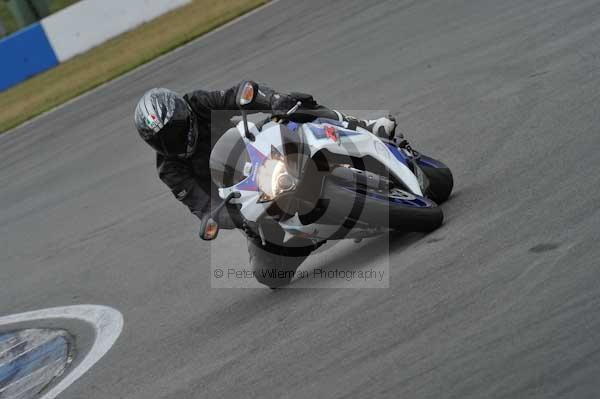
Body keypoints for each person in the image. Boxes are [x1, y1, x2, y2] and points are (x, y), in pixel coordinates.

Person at [134, 81, 397, 287]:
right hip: (247, 199)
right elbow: (204, 207)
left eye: (177, 129)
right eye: (165, 140)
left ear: (184, 113)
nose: (175, 140)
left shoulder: (199, 104)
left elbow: (237, 94)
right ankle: (321, 232)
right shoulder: (170, 170)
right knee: (269, 275)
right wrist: (230, 215)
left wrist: (271, 100)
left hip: (264, 148)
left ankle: (364, 127)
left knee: (296, 104)